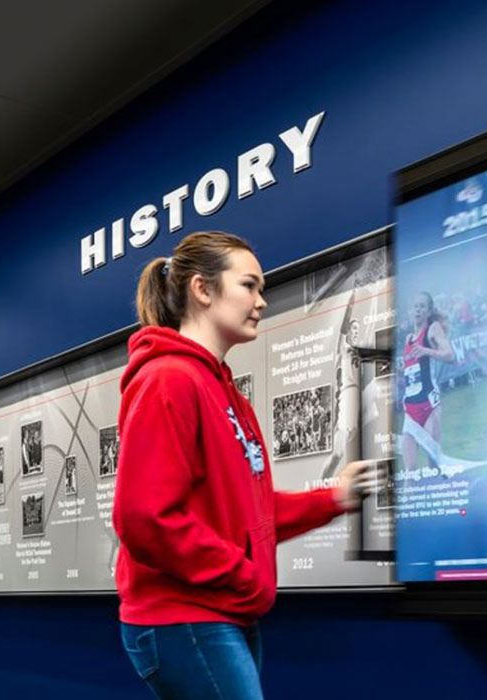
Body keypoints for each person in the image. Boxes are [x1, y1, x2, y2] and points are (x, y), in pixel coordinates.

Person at [112, 231, 374, 700]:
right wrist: (243, 574)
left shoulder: (225, 393)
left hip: (222, 612)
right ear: (202, 289)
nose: (261, 301)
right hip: (182, 617)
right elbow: (144, 518)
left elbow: (246, 510)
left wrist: (334, 498)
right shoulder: (168, 379)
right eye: (249, 286)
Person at [401, 292, 455, 471]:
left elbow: (450, 355)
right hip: (411, 408)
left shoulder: (433, 329)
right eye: (415, 306)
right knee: (409, 471)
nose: (418, 310)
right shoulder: (408, 339)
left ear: (429, 311)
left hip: (429, 405)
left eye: (422, 306)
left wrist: (427, 351)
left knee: (433, 464)